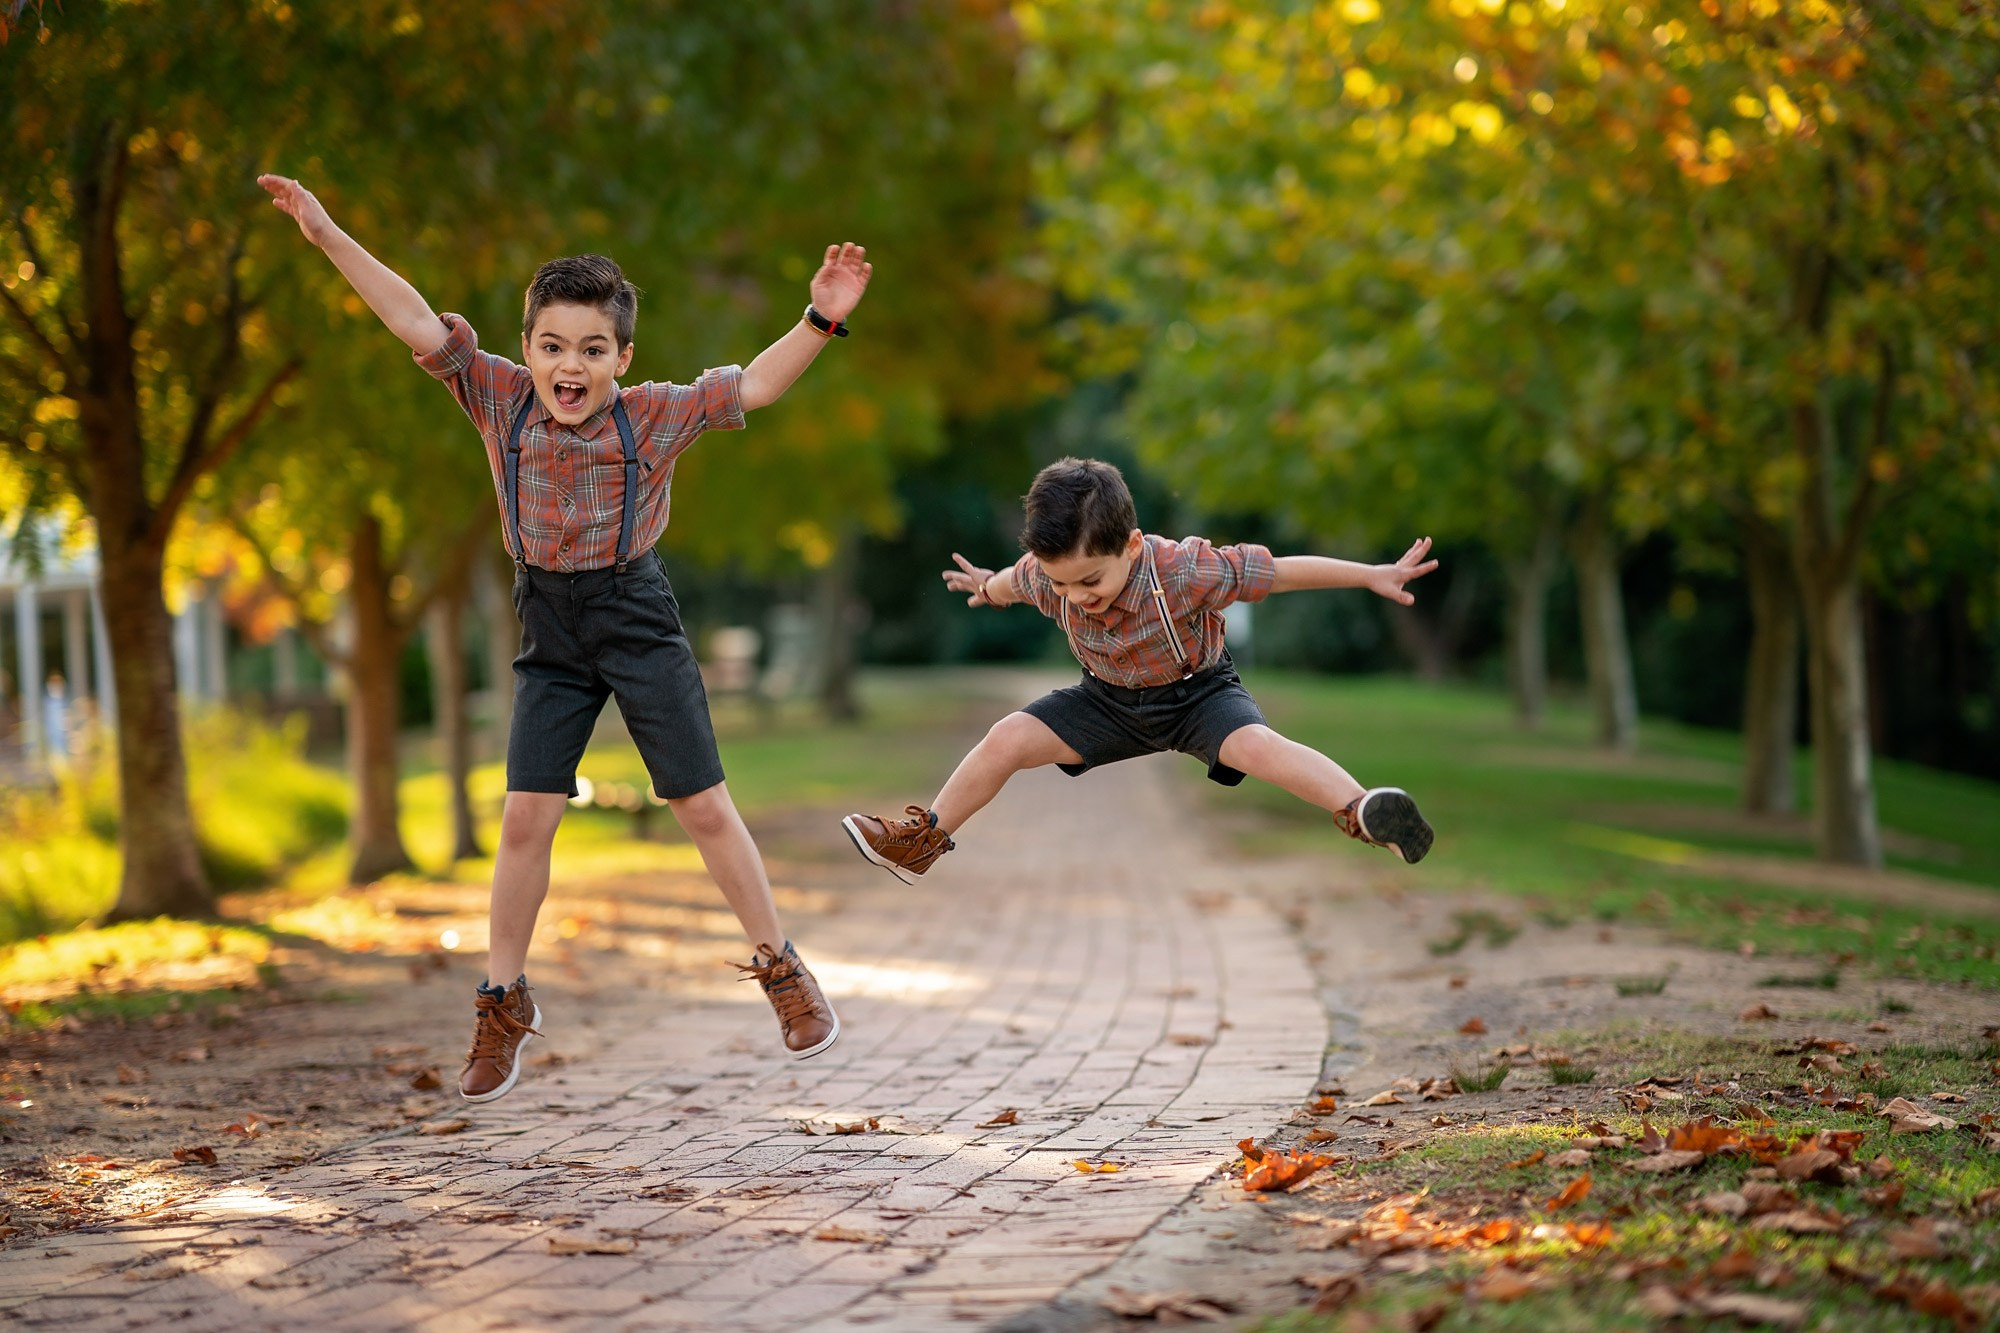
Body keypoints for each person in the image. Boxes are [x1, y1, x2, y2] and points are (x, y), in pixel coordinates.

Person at [259, 173, 863, 1102]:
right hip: (547, 618)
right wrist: (329, 231)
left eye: (590, 348)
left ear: (623, 356)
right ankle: (503, 1001)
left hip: (636, 616)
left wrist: (819, 320)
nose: (567, 366)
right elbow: (413, 319)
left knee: (701, 805)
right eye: (550, 346)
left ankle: (782, 968)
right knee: (524, 816)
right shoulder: (496, 397)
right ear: (527, 348)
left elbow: (756, 384)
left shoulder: (652, 415)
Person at [842, 457, 1438, 881]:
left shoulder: (1183, 572)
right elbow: (1009, 582)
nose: (1077, 596)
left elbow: (1276, 572)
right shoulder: (1043, 575)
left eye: (1091, 580)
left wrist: (1368, 574)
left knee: (1258, 746)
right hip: (1105, 702)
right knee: (1009, 737)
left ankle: (1365, 811)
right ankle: (923, 840)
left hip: (1199, 695)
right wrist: (988, 588)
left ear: (1130, 545)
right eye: (1061, 583)